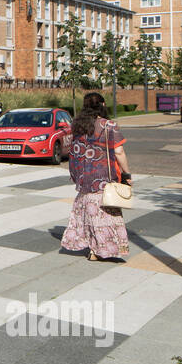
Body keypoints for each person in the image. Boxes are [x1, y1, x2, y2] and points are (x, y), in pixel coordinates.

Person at [60, 92, 132, 262]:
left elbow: (74, 151)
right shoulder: (109, 125)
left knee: (90, 217)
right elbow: (119, 151)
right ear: (103, 105)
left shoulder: (77, 126)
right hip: (105, 179)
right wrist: (127, 173)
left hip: (85, 180)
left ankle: (93, 249)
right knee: (106, 217)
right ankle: (102, 250)